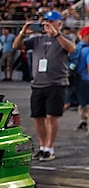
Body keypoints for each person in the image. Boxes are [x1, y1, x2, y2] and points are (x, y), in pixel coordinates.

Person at [12, 10, 76, 161]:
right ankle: (42, 146)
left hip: (56, 83)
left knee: (52, 116)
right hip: (38, 84)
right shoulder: (37, 39)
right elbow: (16, 46)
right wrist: (23, 33)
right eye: (45, 21)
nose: (47, 24)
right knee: (38, 117)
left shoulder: (63, 38)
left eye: (51, 21)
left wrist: (56, 34)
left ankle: (49, 147)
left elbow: (72, 49)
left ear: (59, 23)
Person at [65, 26, 89, 137]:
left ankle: (51, 120)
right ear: (87, 35)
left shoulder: (75, 48)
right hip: (84, 80)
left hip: (73, 79)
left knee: (67, 103)